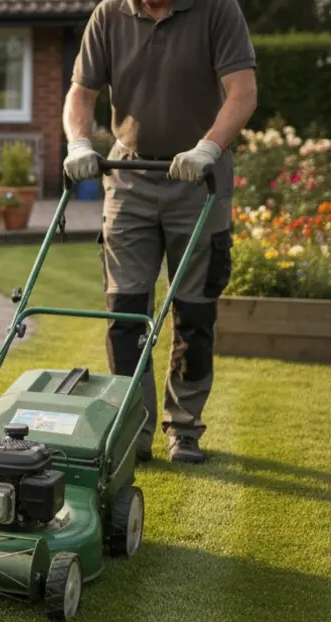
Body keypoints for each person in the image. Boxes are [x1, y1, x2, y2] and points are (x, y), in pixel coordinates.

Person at [63, 0, 257, 464]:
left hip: (199, 181)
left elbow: (242, 91)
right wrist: (79, 142)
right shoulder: (109, 15)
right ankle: (133, 428)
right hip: (129, 176)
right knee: (125, 310)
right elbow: (81, 92)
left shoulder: (217, 11)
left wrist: (208, 147)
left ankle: (184, 427)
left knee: (193, 311)